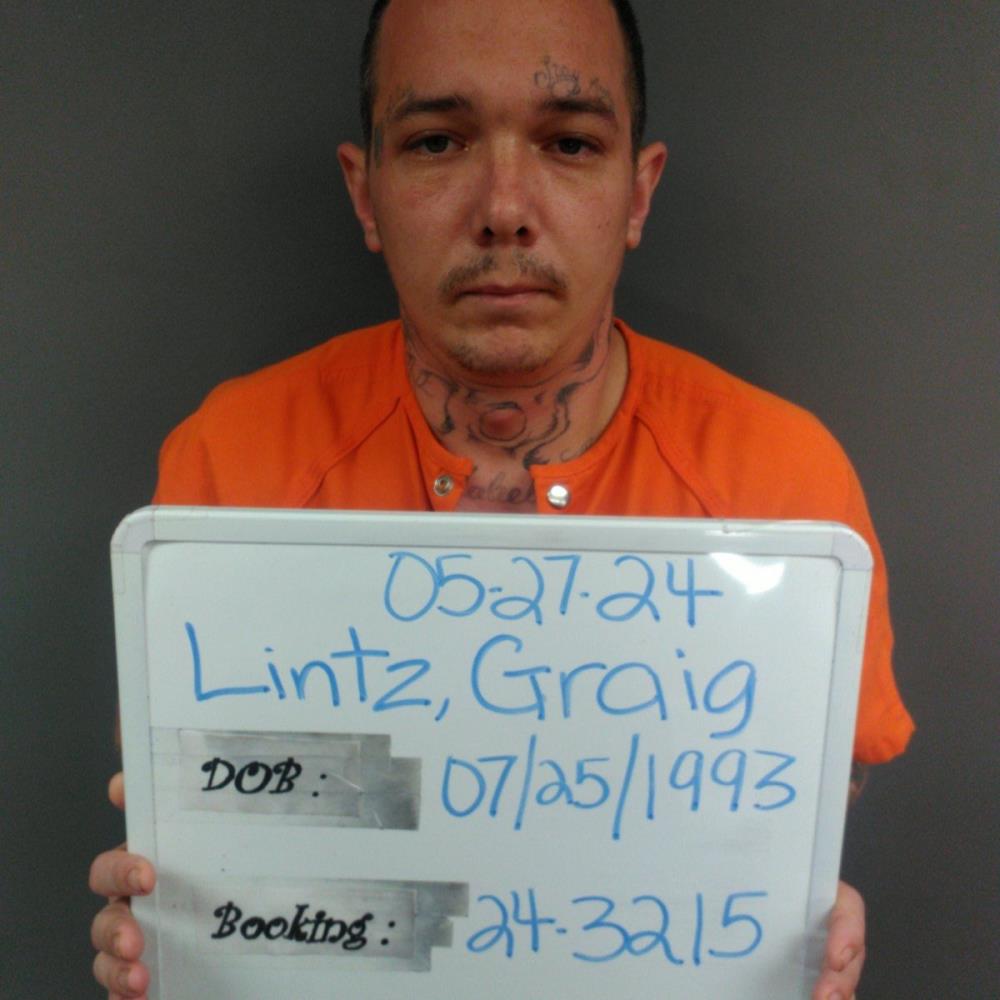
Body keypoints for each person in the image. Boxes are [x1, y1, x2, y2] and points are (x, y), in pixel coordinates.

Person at [89, 1, 913, 997]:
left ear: (638, 190)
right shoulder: (233, 461)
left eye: (570, 143)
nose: (505, 208)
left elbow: (805, 795)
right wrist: (181, 925)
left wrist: (796, 907)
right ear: (366, 191)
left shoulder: (784, 484)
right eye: (437, 141)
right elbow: (218, 805)